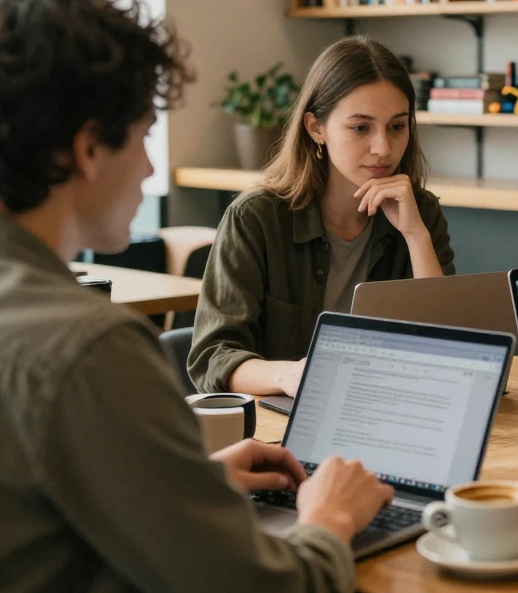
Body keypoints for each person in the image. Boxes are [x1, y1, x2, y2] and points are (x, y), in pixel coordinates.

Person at [0, 0, 393, 593]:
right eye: (143, 135)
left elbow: (3, 512)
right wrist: (330, 518)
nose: (147, 168)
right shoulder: (88, 350)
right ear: (86, 150)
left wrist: (185, 483)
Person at [189, 35, 454, 396]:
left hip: (386, 411)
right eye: (360, 127)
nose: (383, 148)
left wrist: (416, 237)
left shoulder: (419, 212)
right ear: (316, 128)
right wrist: (289, 376)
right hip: (281, 425)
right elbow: (212, 357)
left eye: (397, 126)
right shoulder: (256, 219)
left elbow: (449, 355)